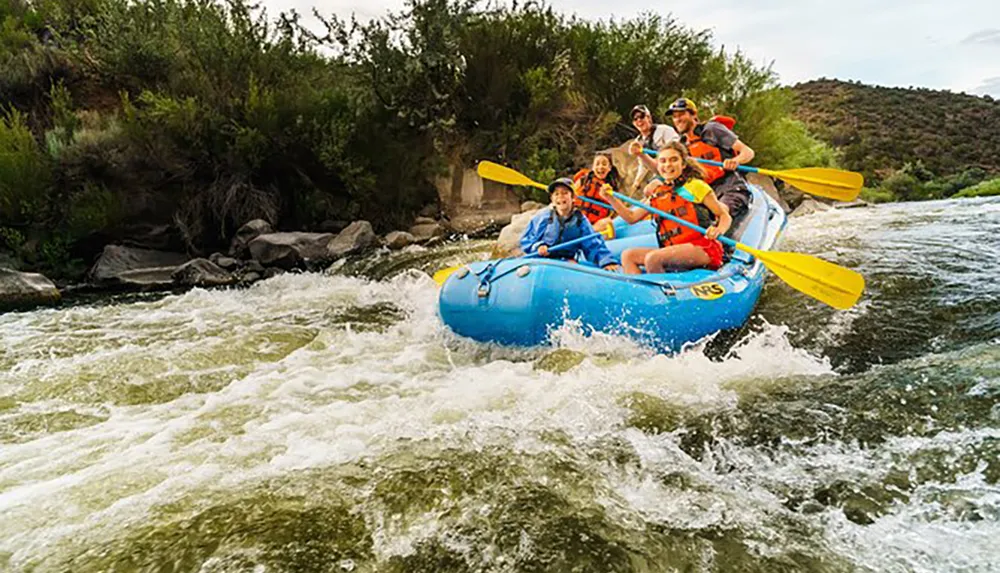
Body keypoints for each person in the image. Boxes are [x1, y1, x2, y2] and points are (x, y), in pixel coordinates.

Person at [600, 141, 731, 275]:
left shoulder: (696, 186)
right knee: (628, 255)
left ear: (683, 164)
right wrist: (610, 199)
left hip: (703, 247)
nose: (668, 165)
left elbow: (724, 215)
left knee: (653, 258)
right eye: (663, 161)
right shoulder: (658, 193)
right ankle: (642, 291)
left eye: (673, 160)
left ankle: (661, 294)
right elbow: (631, 217)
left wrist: (718, 230)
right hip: (673, 248)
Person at [668, 97, 755, 228]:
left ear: (694, 115)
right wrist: (641, 155)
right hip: (707, 192)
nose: (678, 119)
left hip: (730, 186)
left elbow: (748, 152)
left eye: (681, 114)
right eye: (674, 117)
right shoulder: (682, 146)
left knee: (721, 213)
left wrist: (735, 161)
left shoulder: (712, 130)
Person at [520, 178, 621, 271]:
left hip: (566, 261)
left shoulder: (580, 220)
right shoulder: (544, 217)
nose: (560, 197)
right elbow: (527, 240)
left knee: (572, 264)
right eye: (556, 194)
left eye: (565, 193)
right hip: (543, 259)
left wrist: (606, 261)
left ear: (573, 198)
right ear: (552, 199)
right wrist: (538, 246)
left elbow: (592, 244)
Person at [626, 104, 679, 191]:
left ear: (649, 117)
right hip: (660, 173)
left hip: (674, 169)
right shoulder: (638, 141)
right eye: (635, 119)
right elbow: (643, 165)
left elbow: (678, 149)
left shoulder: (664, 130)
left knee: (651, 189)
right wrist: (636, 182)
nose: (639, 120)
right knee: (647, 191)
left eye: (642, 116)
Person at [572, 151, 622, 235]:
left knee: (608, 223)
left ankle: (586, 233)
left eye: (604, 164)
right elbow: (570, 195)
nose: (600, 167)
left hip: (593, 225)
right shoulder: (583, 180)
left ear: (609, 168)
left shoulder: (610, 188)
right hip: (576, 220)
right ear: (593, 167)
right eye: (597, 164)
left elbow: (618, 210)